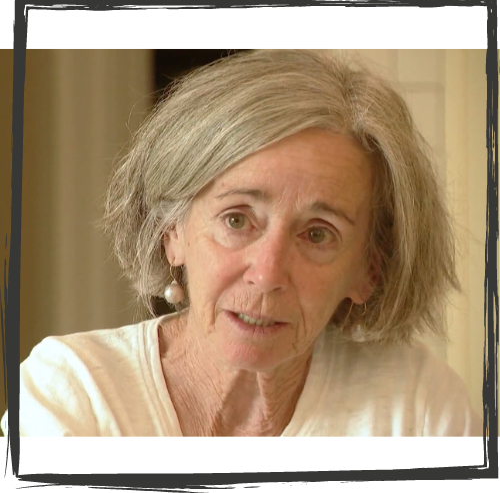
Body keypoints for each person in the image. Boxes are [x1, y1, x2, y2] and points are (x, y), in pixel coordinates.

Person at [2, 50, 481, 436]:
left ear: (370, 269)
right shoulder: (72, 394)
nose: (268, 273)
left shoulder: (420, 410)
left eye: (318, 234)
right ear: (172, 232)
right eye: (237, 220)